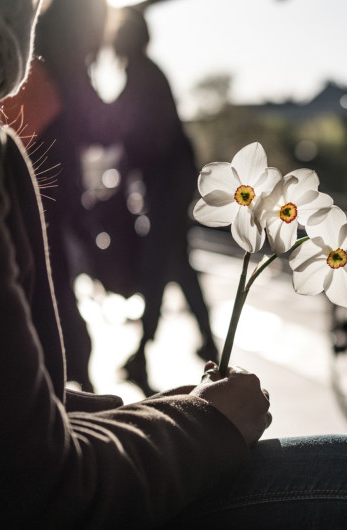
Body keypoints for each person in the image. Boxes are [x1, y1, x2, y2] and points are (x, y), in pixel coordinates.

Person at [0, 0, 347, 527]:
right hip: (60, 495)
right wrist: (205, 423)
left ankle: (163, 346)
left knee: (166, 278)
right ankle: (170, 345)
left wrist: (156, 415)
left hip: (161, 199)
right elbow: (26, 481)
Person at [0, 0, 114, 393]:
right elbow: (97, 124)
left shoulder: (35, 40)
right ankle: (69, 379)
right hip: (46, 172)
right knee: (55, 282)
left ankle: (60, 376)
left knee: (38, 280)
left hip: (15, 163)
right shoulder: (70, 51)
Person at [109, 7, 219, 397]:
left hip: (167, 186)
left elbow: (128, 129)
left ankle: (144, 350)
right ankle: (206, 341)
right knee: (177, 265)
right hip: (171, 183)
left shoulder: (141, 74)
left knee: (159, 264)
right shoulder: (145, 72)